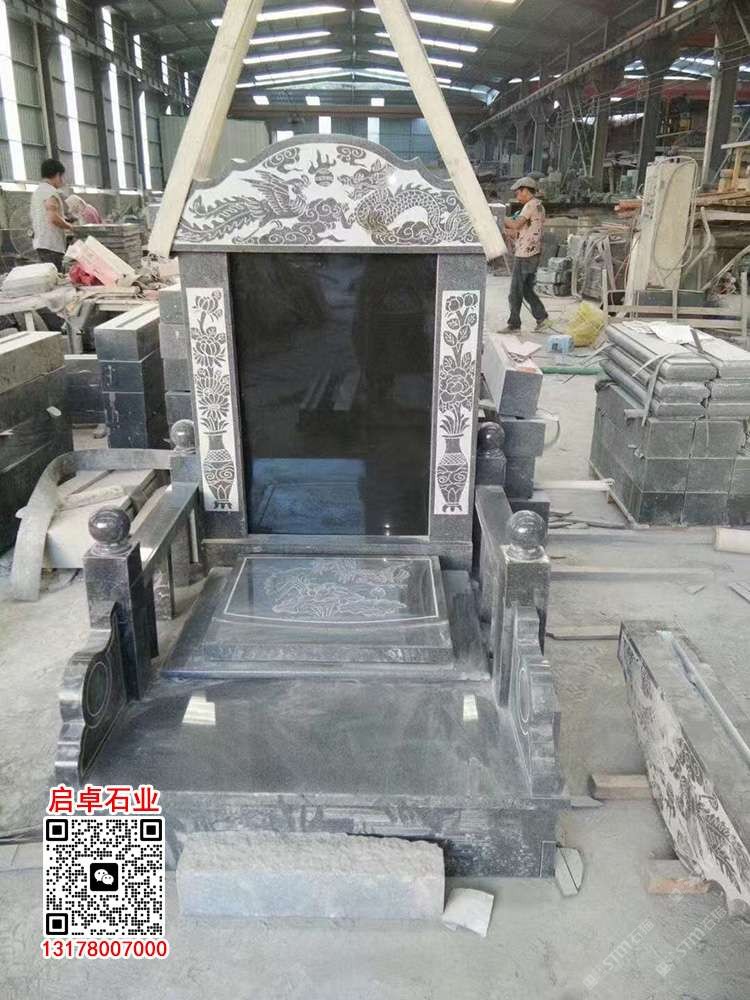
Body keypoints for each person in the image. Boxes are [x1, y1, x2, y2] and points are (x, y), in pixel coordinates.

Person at [500, 176, 549, 333]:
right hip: (532, 253)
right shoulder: (539, 206)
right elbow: (519, 231)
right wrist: (505, 230)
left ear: (526, 190)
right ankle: (542, 318)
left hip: (525, 255)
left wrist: (498, 216)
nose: (517, 196)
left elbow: (515, 224)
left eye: (518, 193)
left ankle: (514, 324)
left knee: (515, 291)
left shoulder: (531, 205)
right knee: (527, 289)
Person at [30, 158, 73, 271]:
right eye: (62, 176)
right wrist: (70, 227)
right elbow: (53, 218)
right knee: (55, 276)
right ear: (58, 175)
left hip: (41, 243)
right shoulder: (50, 192)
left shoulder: (38, 191)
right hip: (52, 246)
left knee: (48, 275)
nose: (62, 180)